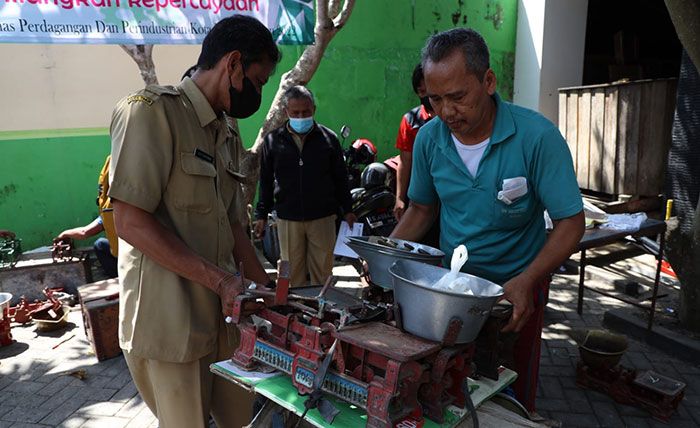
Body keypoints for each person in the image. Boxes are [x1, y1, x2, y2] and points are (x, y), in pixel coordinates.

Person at [390, 28, 585, 412]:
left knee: (509, 393)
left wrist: (528, 281)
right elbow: (422, 210)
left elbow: (570, 222)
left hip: (514, 296)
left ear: (489, 81)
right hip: (450, 293)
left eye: (458, 97)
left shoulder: (537, 138)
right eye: (435, 99)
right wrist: (387, 256)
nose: (447, 112)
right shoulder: (429, 139)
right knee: (447, 389)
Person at [108, 16, 280, 428]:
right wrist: (221, 282)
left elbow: (234, 227)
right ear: (233, 64)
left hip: (224, 320)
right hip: (171, 326)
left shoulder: (226, 132)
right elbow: (129, 221)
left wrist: (274, 300)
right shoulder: (150, 113)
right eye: (257, 81)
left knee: (244, 419)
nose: (258, 93)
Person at [254, 85, 356, 287]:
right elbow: (265, 180)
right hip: (288, 219)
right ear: (286, 112)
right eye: (296, 113)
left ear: (313, 110)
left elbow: (341, 178)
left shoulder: (329, 139)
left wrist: (348, 210)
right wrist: (261, 215)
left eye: (306, 112)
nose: (301, 116)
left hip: (323, 218)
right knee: (292, 274)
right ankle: (299, 314)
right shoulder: (273, 141)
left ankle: (323, 312)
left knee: (323, 272)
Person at [56, 155, 118, 278]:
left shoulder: (109, 210)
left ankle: (116, 279)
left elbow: (85, 232)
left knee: (100, 245)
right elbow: (84, 231)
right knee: (100, 244)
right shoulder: (108, 212)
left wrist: (64, 234)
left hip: (129, 256)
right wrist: (65, 234)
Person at [393, 63, 435, 221]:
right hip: (420, 194)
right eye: (421, 92)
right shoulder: (410, 120)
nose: (426, 96)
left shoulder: (451, 119)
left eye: (429, 91)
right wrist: (400, 198)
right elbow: (405, 162)